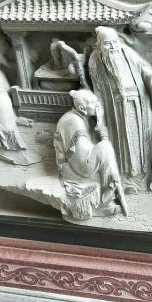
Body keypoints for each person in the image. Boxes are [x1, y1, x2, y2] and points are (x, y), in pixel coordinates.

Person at [87, 26, 152, 190]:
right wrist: (100, 111)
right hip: (115, 107)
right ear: (99, 45)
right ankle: (126, 178)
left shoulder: (126, 51)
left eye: (115, 42)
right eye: (108, 44)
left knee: (141, 139)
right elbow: (97, 88)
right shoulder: (95, 59)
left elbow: (144, 69)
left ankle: (144, 174)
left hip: (138, 102)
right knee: (122, 141)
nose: (113, 47)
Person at [54, 89, 127, 220]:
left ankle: (112, 194)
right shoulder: (73, 121)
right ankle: (106, 202)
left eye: (96, 101)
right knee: (104, 148)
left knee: (105, 150)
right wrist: (102, 148)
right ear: (82, 108)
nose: (97, 104)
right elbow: (79, 157)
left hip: (80, 161)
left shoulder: (78, 117)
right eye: (93, 103)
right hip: (74, 167)